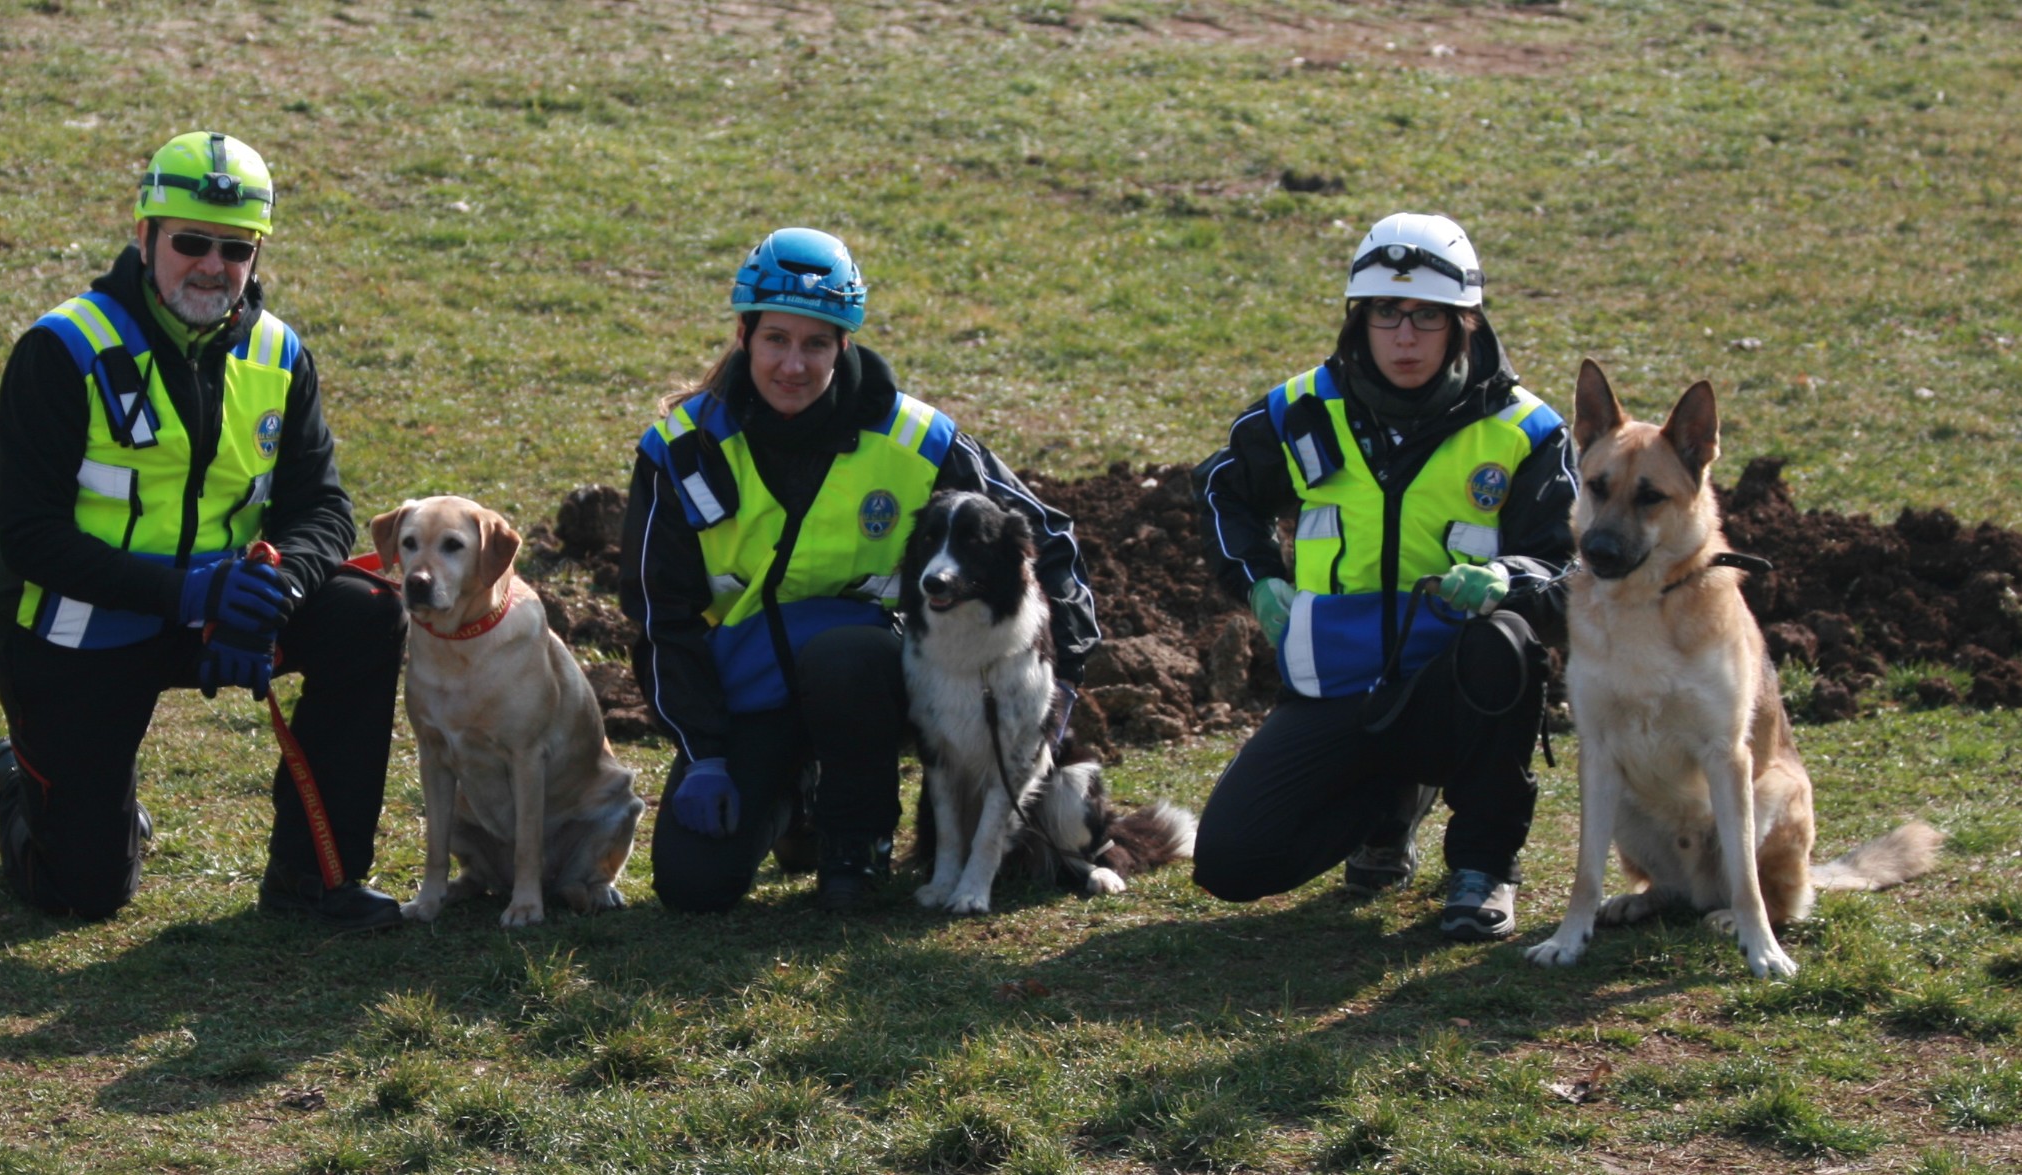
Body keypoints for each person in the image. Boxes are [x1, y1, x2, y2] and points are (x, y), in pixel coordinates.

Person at [0, 131, 408, 930]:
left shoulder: (280, 354)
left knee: (369, 613)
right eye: (191, 242)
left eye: (236, 249)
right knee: (82, 893)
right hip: (76, 627)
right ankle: (23, 782)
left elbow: (322, 508)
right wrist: (190, 592)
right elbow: (30, 536)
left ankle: (315, 879)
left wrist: (280, 585)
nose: (213, 265)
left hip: (224, 613)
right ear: (145, 237)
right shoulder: (60, 350)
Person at [620, 227, 1099, 913]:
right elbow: (656, 614)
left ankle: (855, 838)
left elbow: (1041, 536)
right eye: (776, 339)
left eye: (816, 342)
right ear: (743, 335)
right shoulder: (681, 448)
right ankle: (791, 804)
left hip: (875, 690)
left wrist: (1065, 678)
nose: (794, 364)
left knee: (847, 655)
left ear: (845, 345)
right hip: (743, 697)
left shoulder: (918, 440)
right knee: (694, 888)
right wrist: (704, 753)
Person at [1191, 212, 1575, 940]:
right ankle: (1387, 809)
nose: (1404, 336)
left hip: (1453, 688)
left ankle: (1482, 867)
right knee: (1233, 862)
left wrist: (1505, 578)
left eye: (1426, 316)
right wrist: (1257, 579)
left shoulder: (1525, 430)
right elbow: (1218, 490)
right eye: (1385, 314)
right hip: (1333, 682)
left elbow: (1569, 561)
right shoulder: (1299, 410)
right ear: (1357, 319)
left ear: (1464, 321)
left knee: (1506, 642)